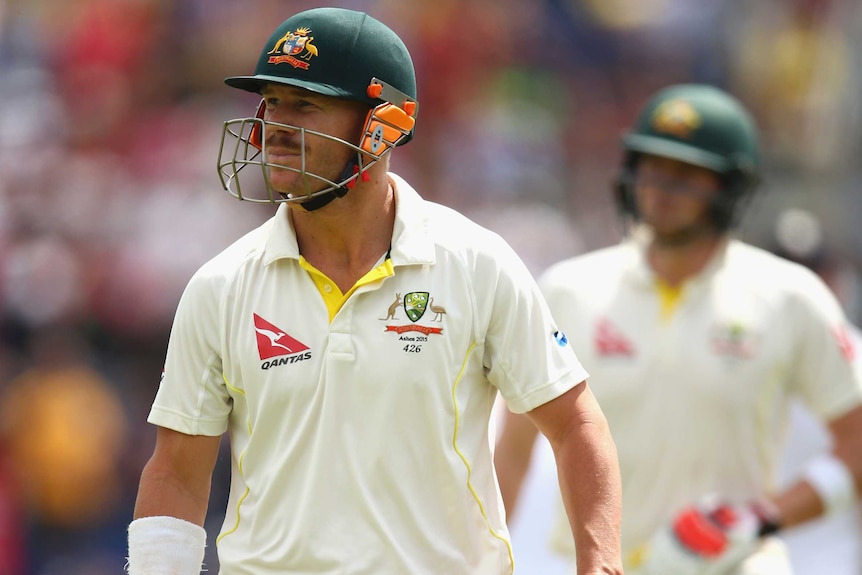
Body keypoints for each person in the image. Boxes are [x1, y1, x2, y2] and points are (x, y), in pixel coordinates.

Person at [126, 7, 623, 575]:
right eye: (272, 102)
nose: (275, 129)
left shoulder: (475, 264)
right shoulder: (221, 286)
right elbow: (175, 473)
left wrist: (600, 560)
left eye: (305, 106)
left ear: (382, 124)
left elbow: (577, 424)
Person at [494, 83, 862, 575]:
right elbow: (514, 452)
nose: (662, 187)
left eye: (687, 172)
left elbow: (856, 441)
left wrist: (764, 518)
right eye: (652, 166)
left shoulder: (789, 297)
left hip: (737, 566)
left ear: (730, 187)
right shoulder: (569, 289)